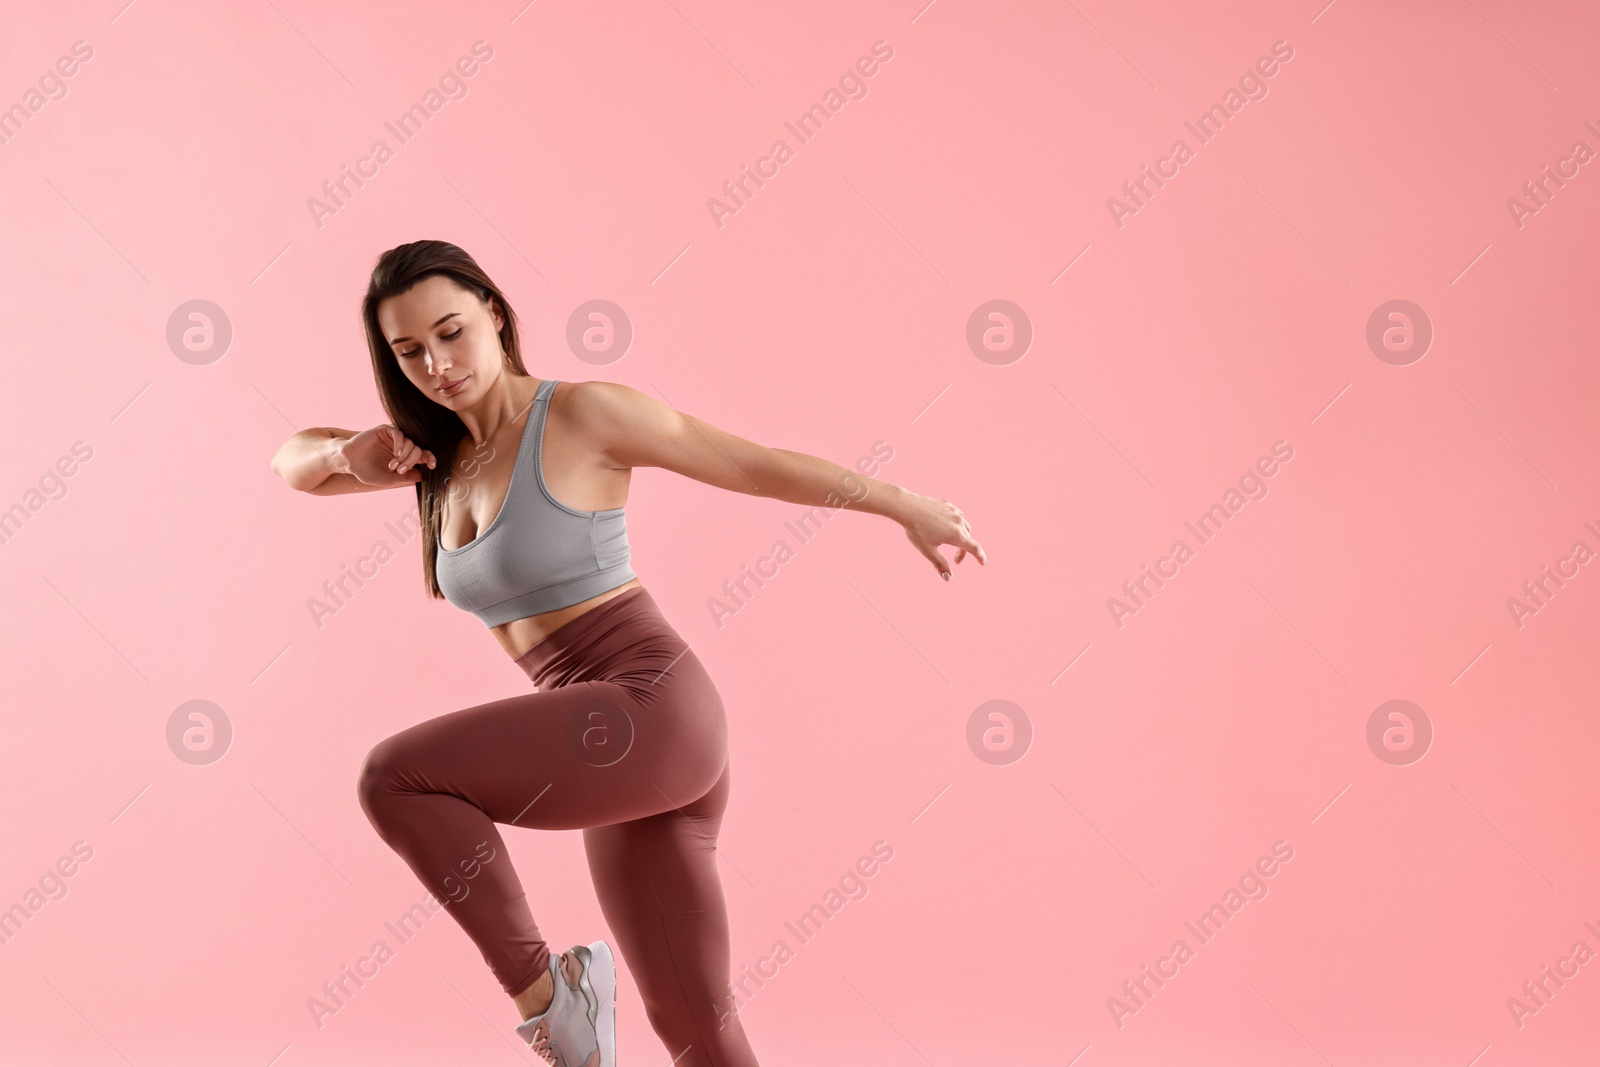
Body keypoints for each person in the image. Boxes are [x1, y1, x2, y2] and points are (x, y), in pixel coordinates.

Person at [269, 239, 986, 1067]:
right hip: (604, 729)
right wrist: (345, 453)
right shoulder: (433, 457)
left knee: (394, 775)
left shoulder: (580, 415)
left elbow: (746, 462)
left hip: (652, 706)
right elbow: (292, 464)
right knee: (692, 1023)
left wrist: (903, 503)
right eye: (410, 350)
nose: (438, 363)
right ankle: (574, 1009)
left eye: (452, 331)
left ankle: (553, 1002)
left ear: (495, 314)